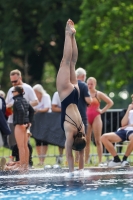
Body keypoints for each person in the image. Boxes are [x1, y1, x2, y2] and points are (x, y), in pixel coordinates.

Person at [56, 19, 86, 177]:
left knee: (73, 62)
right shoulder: (70, 133)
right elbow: (70, 156)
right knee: (65, 62)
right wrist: (73, 173)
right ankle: (69, 34)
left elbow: (81, 154)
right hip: (67, 96)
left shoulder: (83, 131)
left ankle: (73, 37)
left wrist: (82, 170)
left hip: (76, 93)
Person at [5, 69, 38, 149]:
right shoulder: (11, 90)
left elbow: (35, 101)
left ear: (20, 78)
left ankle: (26, 160)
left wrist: (23, 105)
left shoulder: (27, 88)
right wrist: (8, 106)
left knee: (24, 142)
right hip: (12, 119)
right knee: (12, 143)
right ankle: (15, 160)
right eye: (12, 81)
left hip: (22, 120)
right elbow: (7, 103)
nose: (13, 83)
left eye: (15, 81)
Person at [85, 77, 114, 166]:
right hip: (86, 117)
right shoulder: (84, 94)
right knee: (86, 141)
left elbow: (110, 102)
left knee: (98, 140)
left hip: (96, 117)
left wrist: (102, 110)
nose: (89, 86)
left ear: (95, 84)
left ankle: (100, 161)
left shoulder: (98, 94)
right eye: (88, 84)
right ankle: (86, 161)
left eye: (91, 84)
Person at [5, 85, 34, 171]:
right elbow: (32, 111)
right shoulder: (24, 100)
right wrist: (29, 122)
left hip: (19, 125)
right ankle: (25, 165)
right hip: (25, 125)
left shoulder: (17, 100)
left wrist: (21, 123)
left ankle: (22, 165)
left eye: (13, 91)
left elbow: (21, 111)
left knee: (21, 146)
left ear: (17, 92)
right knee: (25, 146)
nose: (12, 93)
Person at [101, 99, 133, 167]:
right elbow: (123, 124)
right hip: (124, 130)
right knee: (104, 137)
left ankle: (125, 159)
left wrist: (129, 125)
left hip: (132, 132)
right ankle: (116, 159)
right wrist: (128, 109)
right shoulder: (130, 111)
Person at [74, 68, 92, 164]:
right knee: (82, 138)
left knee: (71, 138)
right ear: (83, 76)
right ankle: (81, 161)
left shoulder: (70, 84)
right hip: (81, 114)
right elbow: (88, 100)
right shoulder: (83, 85)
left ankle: (73, 160)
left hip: (70, 115)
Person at [33, 84, 51, 166]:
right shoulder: (34, 99)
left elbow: (47, 108)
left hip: (46, 121)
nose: (35, 94)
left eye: (36, 92)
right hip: (37, 122)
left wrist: (38, 110)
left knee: (44, 140)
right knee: (38, 140)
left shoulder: (46, 97)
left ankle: (43, 160)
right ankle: (40, 159)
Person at [52, 91, 64, 164]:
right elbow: (53, 107)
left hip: (73, 117)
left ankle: (76, 158)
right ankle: (60, 156)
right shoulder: (57, 94)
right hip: (62, 119)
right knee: (61, 138)